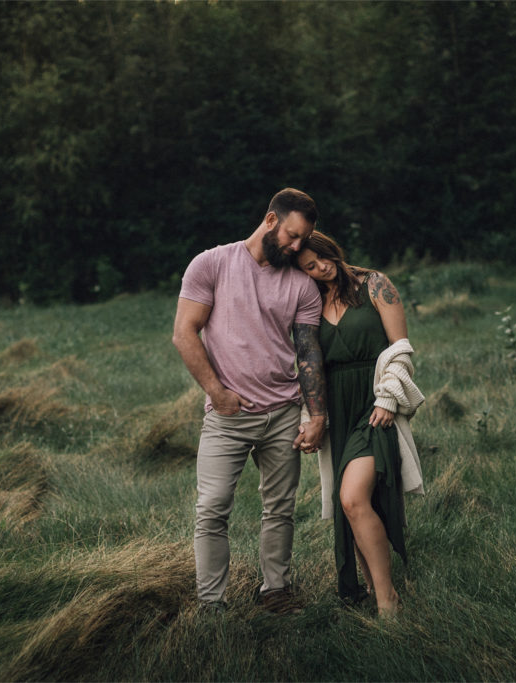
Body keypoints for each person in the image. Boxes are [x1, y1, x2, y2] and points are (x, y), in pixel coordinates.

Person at [172, 188, 328, 614]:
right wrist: (217, 393)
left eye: (304, 240)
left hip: (282, 414)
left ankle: (275, 591)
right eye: (293, 236)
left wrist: (316, 414)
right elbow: (185, 332)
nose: (297, 247)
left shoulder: (302, 285)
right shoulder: (212, 264)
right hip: (227, 416)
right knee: (212, 508)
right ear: (271, 220)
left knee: (280, 509)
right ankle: (211, 603)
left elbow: (309, 352)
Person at [296, 230, 424, 618]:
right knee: (351, 503)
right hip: (337, 407)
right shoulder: (310, 302)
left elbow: (401, 347)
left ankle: (388, 602)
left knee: (352, 497)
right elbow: (308, 364)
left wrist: (387, 397)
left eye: (320, 259)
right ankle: (371, 583)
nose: (320, 269)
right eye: (309, 268)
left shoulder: (375, 284)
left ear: (330, 248)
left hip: (373, 406)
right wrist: (311, 416)